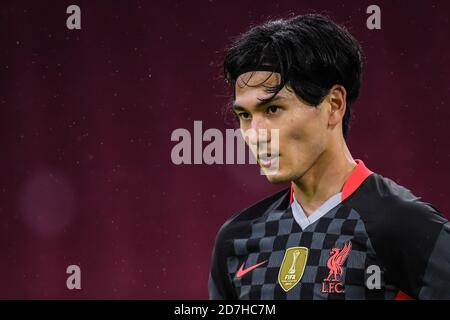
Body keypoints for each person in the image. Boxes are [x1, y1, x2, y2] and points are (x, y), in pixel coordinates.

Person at [208, 14, 450, 300]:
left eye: (273, 110)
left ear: (334, 105)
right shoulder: (236, 240)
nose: (255, 134)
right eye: (244, 116)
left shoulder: (409, 227)